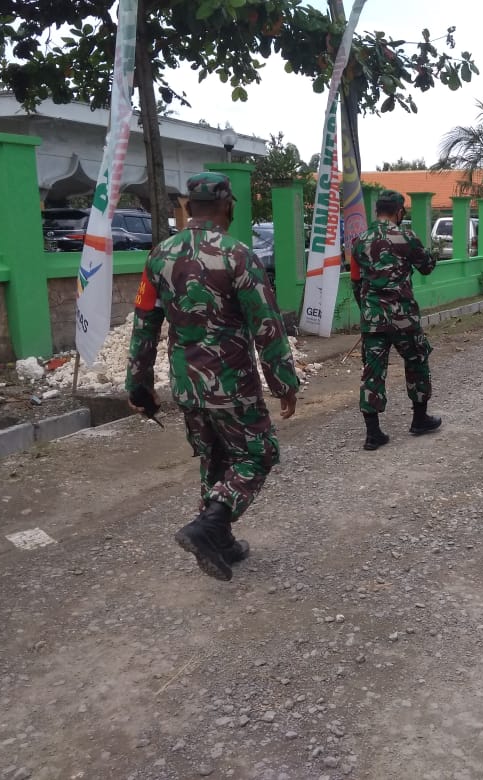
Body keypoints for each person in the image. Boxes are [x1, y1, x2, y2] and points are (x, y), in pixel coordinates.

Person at [126, 172, 299, 580]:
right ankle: (210, 525)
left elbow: (144, 324)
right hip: (231, 382)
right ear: (227, 205)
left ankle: (221, 542)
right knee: (258, 453)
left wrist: (139, 385)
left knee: (216, 458)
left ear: (189, 206)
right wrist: (283, 383)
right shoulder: (238, 255)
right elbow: (266, 324)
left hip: (187, 384)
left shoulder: (159, 256)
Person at [353, 189, 441, 451]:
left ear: (377, 210)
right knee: (417, 361)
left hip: (373, 318)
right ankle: (419, 419)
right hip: (403, 317)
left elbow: (356, 281)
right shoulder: (406, 237)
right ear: (399, 211)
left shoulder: (359, 241)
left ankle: (373, 434)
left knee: (373, 371)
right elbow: (426, 267)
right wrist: (429, 255)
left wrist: (367, 311)